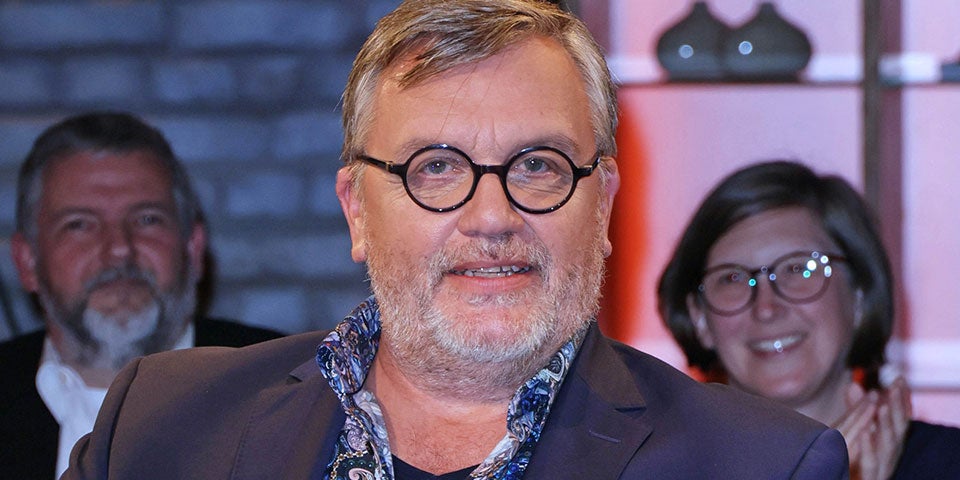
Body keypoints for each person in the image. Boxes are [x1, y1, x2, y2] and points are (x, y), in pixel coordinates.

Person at [63, 2, 848, 478]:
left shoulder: (762, 464)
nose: (492, 216)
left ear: (602, 204)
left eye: (537, 166)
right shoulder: (160, 425)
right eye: (436, 168)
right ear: (357, 211)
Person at [0, 112, 283, 479]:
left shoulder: (286, 386)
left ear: (194, 249)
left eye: (147, 219)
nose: (119, 249)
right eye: (79, 225)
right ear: (27, 261)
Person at [658, 160, 960, 479]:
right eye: (732, 278)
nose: (766, 308)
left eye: (799, 269)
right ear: (699, 317)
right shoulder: (655, 470)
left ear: (859, 296)